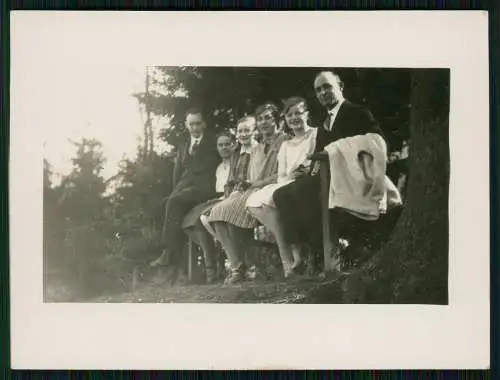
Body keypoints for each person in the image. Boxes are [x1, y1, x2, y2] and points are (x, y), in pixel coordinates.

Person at [272, 71, 385, 271]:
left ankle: (331, 246)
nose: (323, 92)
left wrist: (336, 150)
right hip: (327, 176)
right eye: (318, 90)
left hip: (353, 175)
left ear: (340, 87)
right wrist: (307, 167)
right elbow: (318, 153)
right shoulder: (326, 121)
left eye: (327, 87)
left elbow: (376, 142)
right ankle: (313, 248)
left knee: (301, 191)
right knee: (281, 194)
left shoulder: (356, 112)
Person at [207, 102, 288, 284]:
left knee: (223, 213)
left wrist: (251, 185)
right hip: (250, 189)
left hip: (260, 189)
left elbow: (262, 175)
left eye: (268, 118)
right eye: (261, 119)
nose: (265, 122)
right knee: (217, 216)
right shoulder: (255, 148)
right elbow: (235, 178)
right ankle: (237, 267)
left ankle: (247, 266)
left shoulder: (265, 145)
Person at [246, 97, 317, 278]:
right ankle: (293, 249)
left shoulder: (315, 135)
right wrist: (291, 175)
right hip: (288, 181)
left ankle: (297, 255)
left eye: (298, 113)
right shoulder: (286, 144)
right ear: (285, 119)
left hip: (308, 182)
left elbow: (316, 163)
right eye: (289, 115)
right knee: (253, 202)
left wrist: (305, 171)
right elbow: (282, 174)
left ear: (307, 114)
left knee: (279, 196)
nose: (293, 118)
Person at [150, 107, 221, 282]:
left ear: (204, 124)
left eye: (198, 124)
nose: (195, 128)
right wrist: (175, 192)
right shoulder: (183, 146)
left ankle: (168, 253)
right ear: (186, 125)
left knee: (174, 202)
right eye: (191, 124)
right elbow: (177, 173)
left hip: (205, 189)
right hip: (184, 189)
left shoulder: (213, 142)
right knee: (161, 205)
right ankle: (178, 265)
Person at [181, 131, 236, 283]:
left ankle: (223, 258)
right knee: (194, 220)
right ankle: (211, 268)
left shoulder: (239, 162)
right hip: (219, 199)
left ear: (234, 145)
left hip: (234, 198)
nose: (224, 148)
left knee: (205, 216)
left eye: (227, 144)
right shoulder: (219, 168)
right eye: (220, 145)